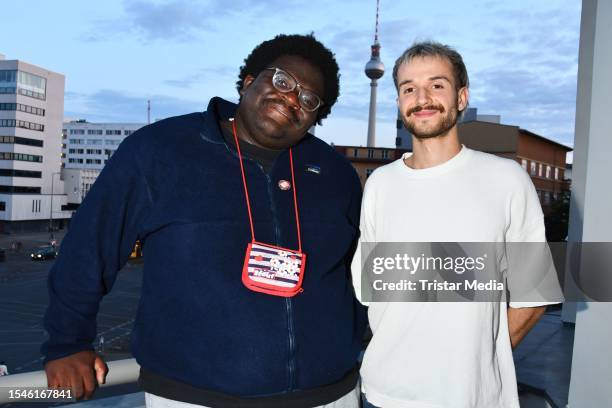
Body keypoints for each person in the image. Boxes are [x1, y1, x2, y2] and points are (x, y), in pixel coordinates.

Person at [42, 34, 366, 408]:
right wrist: (67, 344)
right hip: (194, 396)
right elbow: (89, 247)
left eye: (308, 99)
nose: (292, 98)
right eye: (281, 81)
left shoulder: (334, 173)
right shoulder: (160, 151)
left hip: (330, 394)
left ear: (315, 118)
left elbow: (358, 268)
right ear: (248, 81)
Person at [351, 41, 563, 408]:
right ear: (400, 103)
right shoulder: (380, 184)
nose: (422, 98)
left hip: (471, 397)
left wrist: (479, 362)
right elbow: (371, 289)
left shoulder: (505, 179)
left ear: (461, 97)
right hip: (385, 393)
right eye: (409, 88)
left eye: (436, 85)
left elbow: (534, 296)